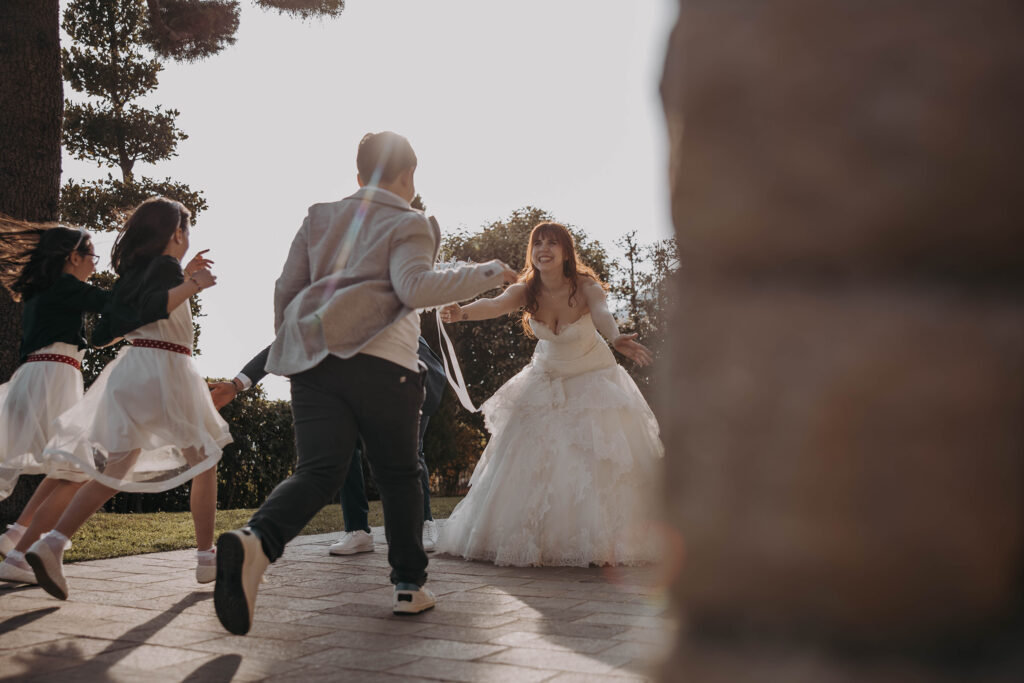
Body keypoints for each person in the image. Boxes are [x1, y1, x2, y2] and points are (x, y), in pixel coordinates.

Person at [212, 131, 517, 636]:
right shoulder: (408, 220)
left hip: (313, 367)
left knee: (317, 471)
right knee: (398, 475)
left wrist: (302, 346)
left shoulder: (318, 217)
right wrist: (486, 272)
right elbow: (415, 288)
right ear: (407, 176)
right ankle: (408, 586)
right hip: (385, 367)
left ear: (358, 176)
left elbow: (286, 290)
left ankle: (255, 542)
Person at [23, 197, 231, 599]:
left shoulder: (138, 273)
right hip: (166, 371)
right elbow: (155, 308)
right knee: (205, 458)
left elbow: (106, 333)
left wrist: (182, 280)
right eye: (187, 229)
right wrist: (191, 283)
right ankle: (207, 559)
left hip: (132, 373)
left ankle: (51, 544)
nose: (188, 238)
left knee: (115, 470)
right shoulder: (167, 270)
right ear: (176, 233)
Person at [436, 221, 663, 567]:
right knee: (532, 458)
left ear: (565, 251)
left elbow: (601, 312)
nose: (543, 248)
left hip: (593, 380)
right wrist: (462, 313)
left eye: (552, 243)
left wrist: (616, 337)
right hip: (547, 379)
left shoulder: (584, 286)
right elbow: (496, 304)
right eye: (537, 243)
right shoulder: (527, 289)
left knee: (595, 462)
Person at [209, 336, 447, 555]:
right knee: (345, 447)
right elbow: (285, 343)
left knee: (409, 450)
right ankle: (358, 530)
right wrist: (236, 384)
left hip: (407, 370)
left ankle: (423, 523)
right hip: (358, 380)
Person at [0, 218, 108, 583]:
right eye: (92, 254)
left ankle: (17, 533)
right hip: (54, 377)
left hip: (38, 376)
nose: (96, 262)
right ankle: (19, 559)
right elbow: (108, 302)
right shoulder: (65, 286)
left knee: (65, 467)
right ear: (72, 258)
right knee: (78, 473)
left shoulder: (42, 290)